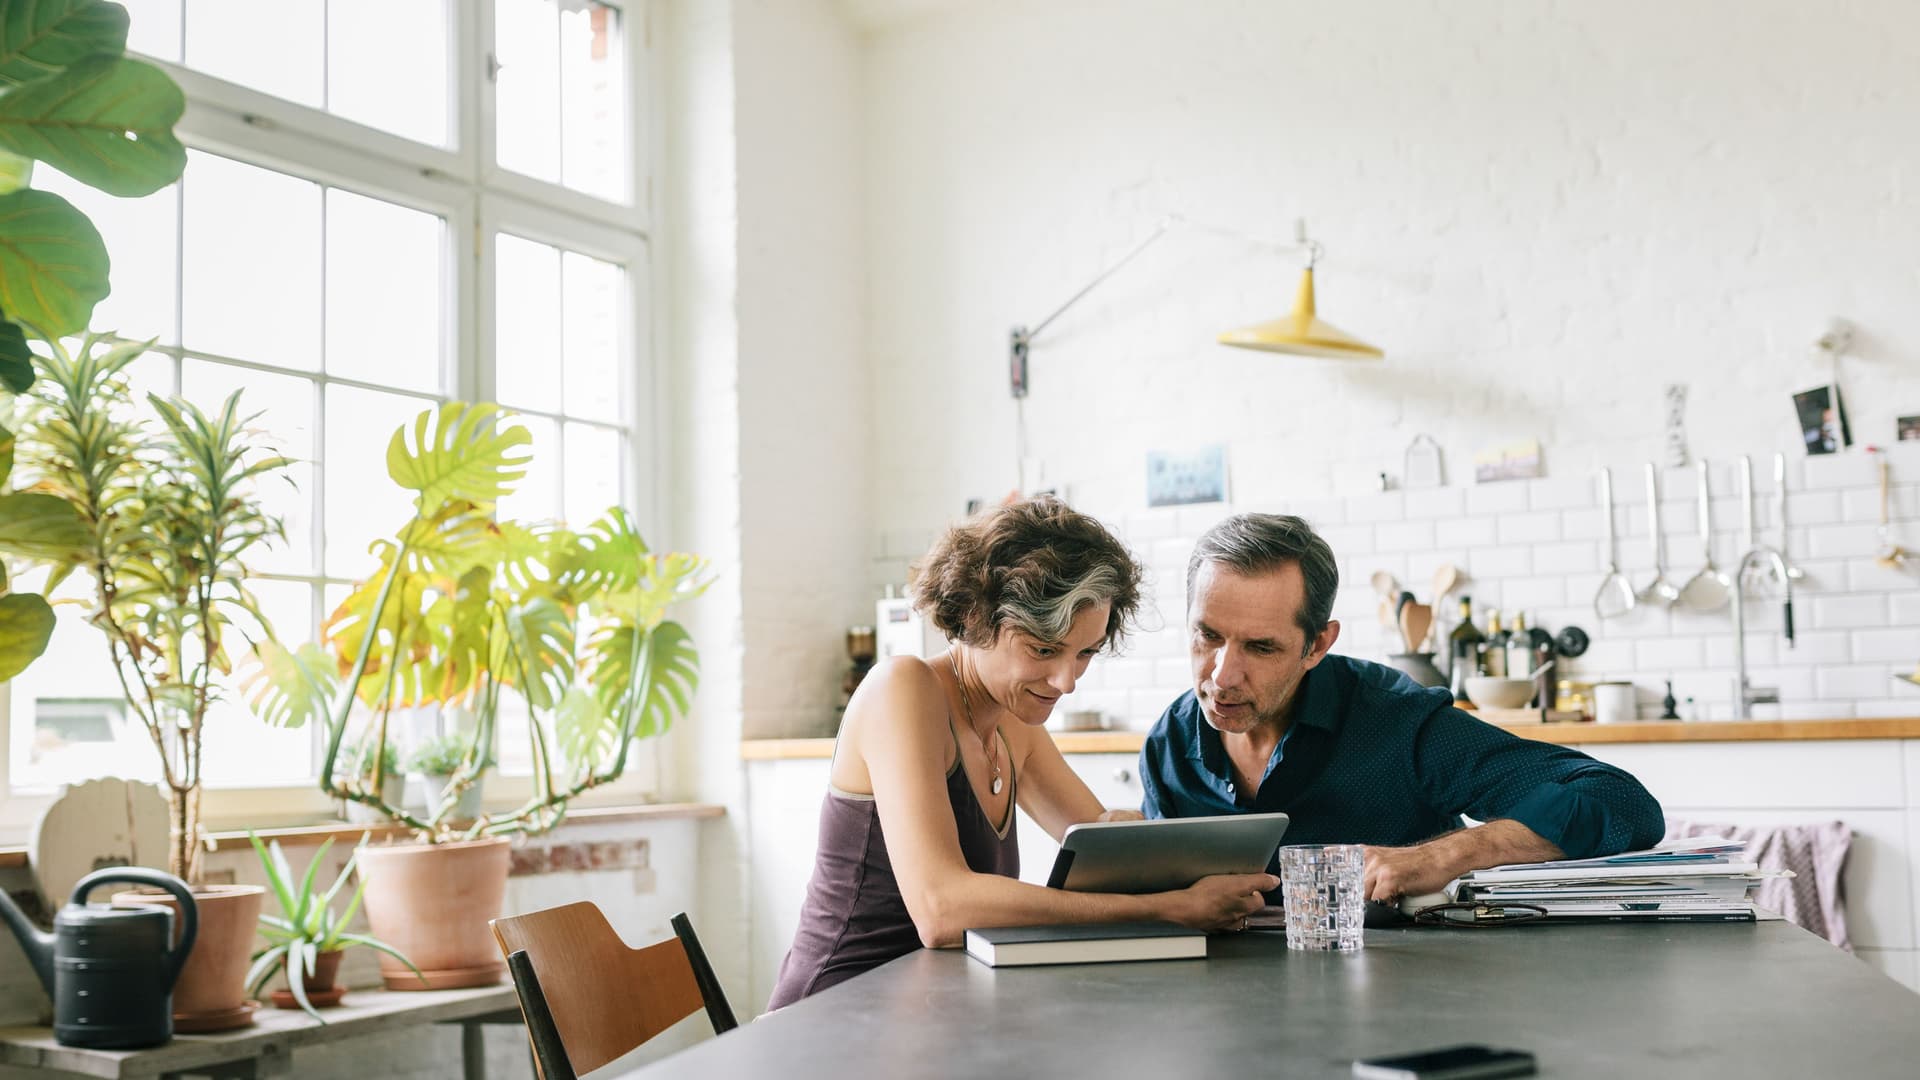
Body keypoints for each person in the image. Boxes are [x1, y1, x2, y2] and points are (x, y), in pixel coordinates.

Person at [768, 498, 1276, 1010]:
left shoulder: (1013, 722)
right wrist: (1166, 908)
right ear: (974, 616)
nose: (1067, 681)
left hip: (931, 1011)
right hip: (833, 1013)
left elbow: (1103, 851)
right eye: (1042, 649)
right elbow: (942, 911)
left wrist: (1135, 843)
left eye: (1084, 653)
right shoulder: (902, 689)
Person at [1139, 513, 1665, 904]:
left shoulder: (1397, 723)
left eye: (1261, 647)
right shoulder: (1169, 744)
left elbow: (1622, 802)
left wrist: (1441, 856)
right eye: (1207, 636)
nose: (1222, 675)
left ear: (1317, 646)